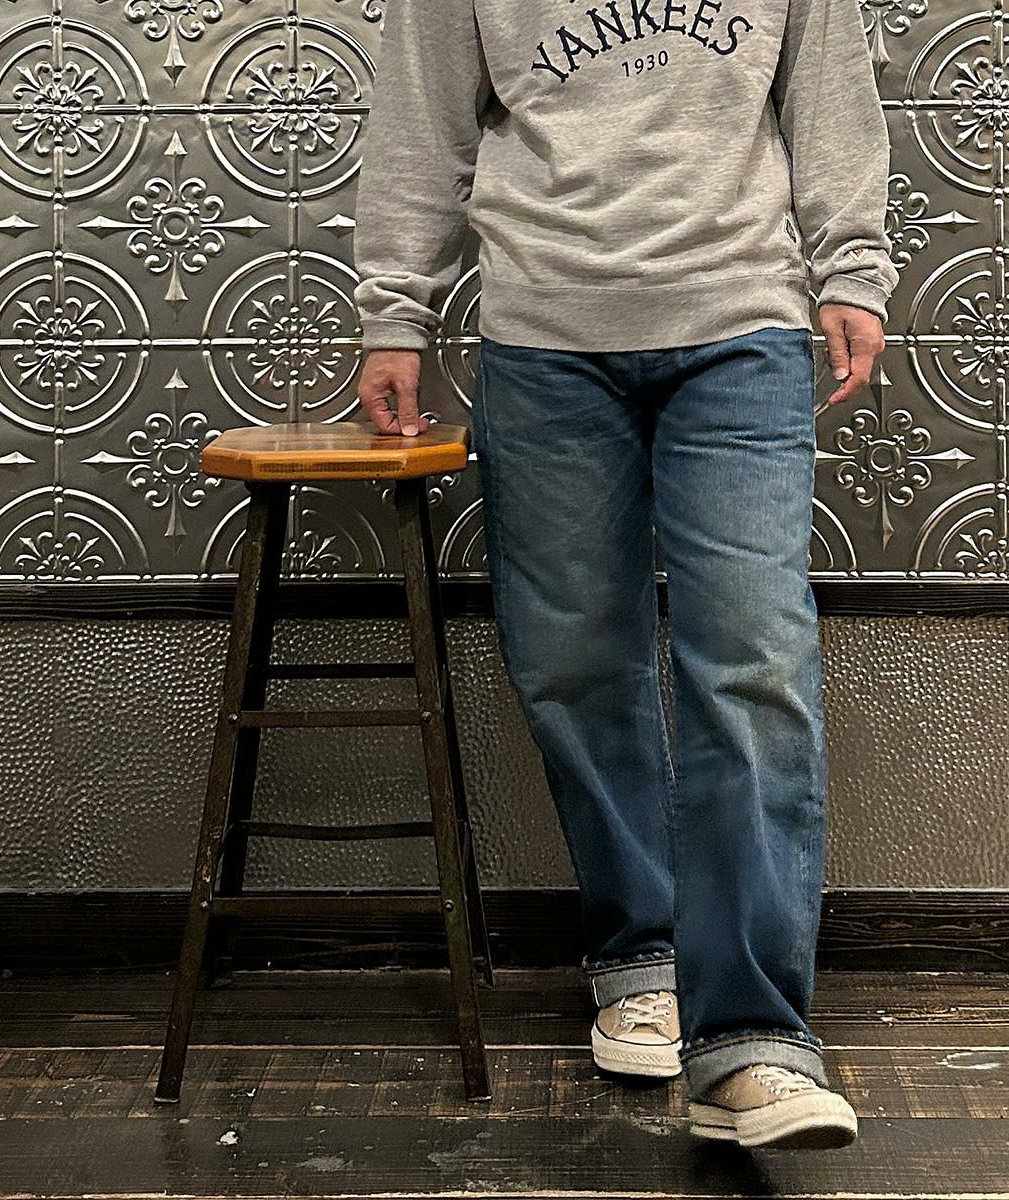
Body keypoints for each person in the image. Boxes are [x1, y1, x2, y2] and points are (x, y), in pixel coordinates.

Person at [353, 0, 896, 1151]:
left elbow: (828, 92)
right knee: (571, 661)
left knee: (752, 658)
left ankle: (751, 1035)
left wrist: (852, 266)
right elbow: (420, 116)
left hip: (740, 322)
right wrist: (395, 310)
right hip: (544, 337)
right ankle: (641, 956)